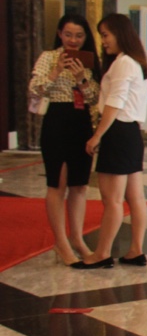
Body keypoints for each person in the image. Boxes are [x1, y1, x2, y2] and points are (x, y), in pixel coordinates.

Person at [74, 14, 147, 269]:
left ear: (120, 34)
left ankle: (102, 253)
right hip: (131, 133)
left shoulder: (123, 63)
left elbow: (114, 103)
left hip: (117, 132)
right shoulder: (135, 62)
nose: (103, 41)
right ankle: (135, 250)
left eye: (106, 35)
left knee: (112, 200)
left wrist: (97, 135)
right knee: (135, 197)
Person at [28, 14, 100, 265]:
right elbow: (35, 89)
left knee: (80, 185)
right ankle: (61, 242)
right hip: (56, 122)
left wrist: (81, 78)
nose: (73, 40)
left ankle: (77, 239)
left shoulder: (88, 60)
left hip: (81, 123)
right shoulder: (49, 57)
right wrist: (57, 70)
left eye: (79, 35)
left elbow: (95, 98)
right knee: (57, 184)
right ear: (60, 33)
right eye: (68, 34)